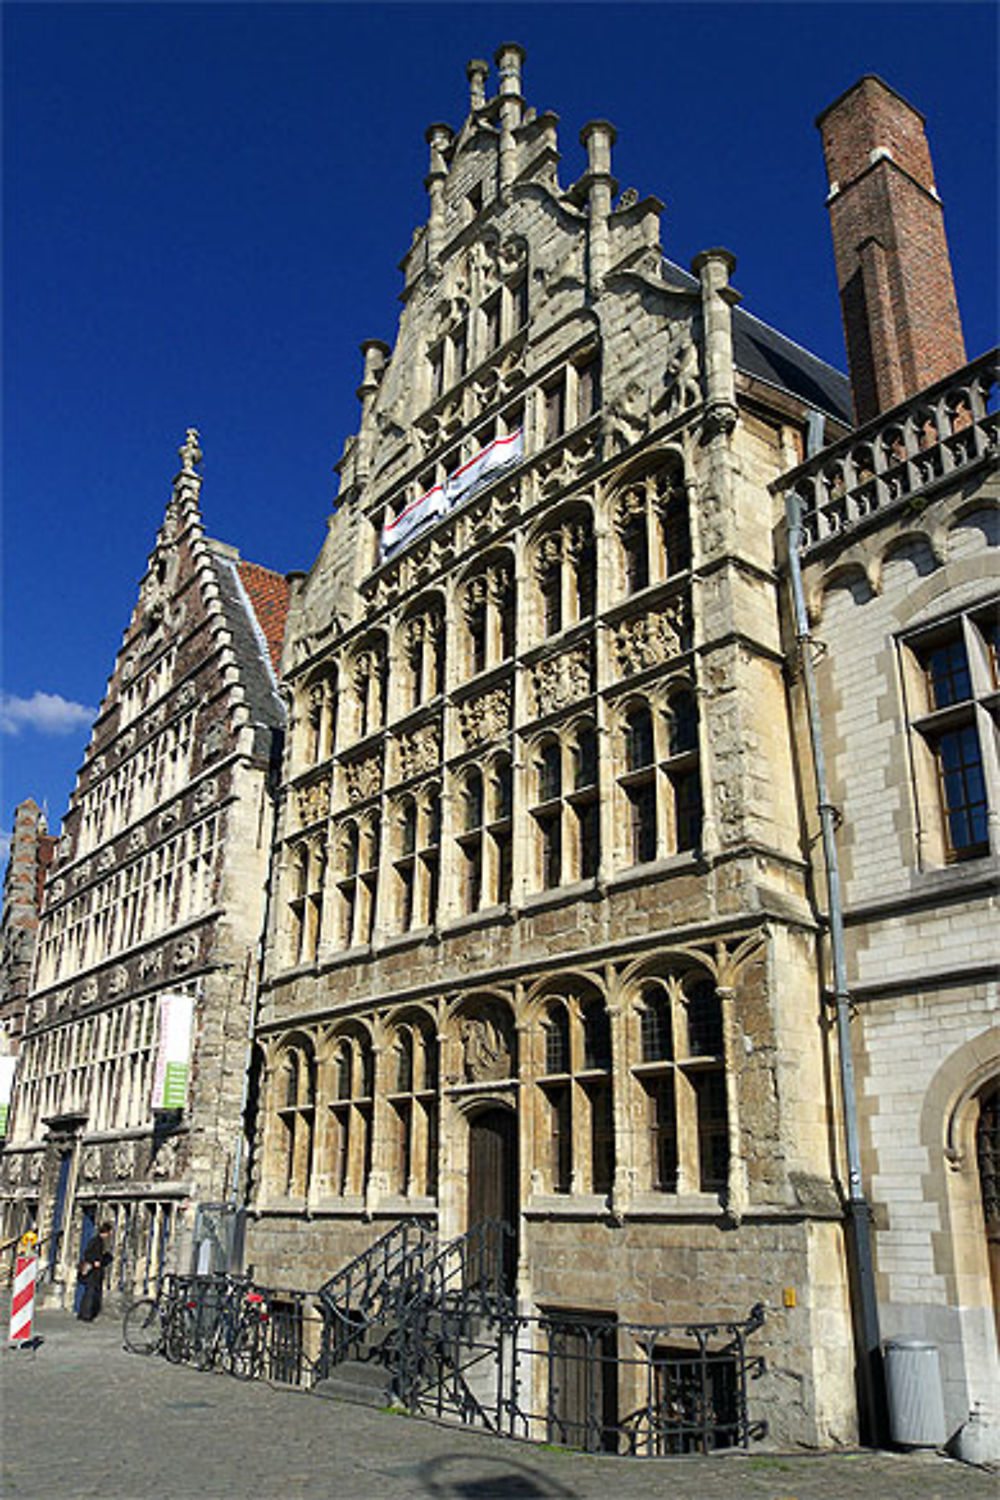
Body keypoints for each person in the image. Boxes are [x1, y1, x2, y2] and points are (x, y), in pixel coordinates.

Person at [77, 1222, 113, 1322]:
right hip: (93, 1271)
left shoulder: (97, 1241)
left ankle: (83, 1313)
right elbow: (88, 1253)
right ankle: (86, 1315)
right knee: (90, 1292)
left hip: (94, 1271)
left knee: (89, 1292)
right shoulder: (97, 1241)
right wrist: (95, 1261)